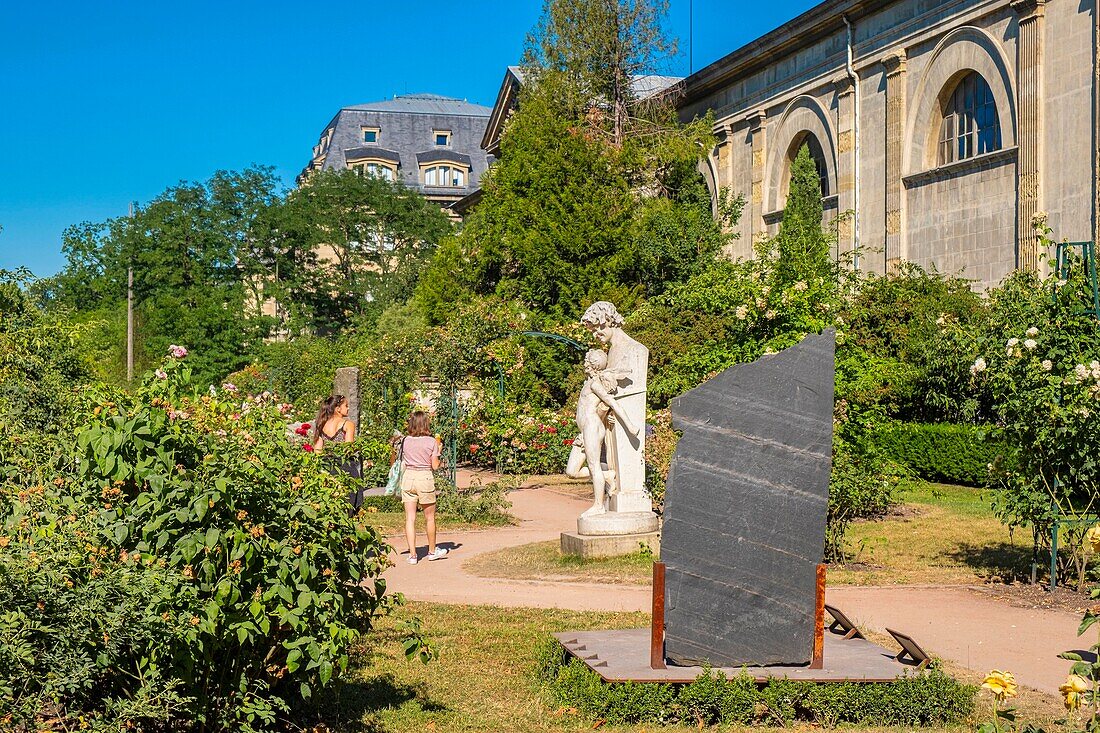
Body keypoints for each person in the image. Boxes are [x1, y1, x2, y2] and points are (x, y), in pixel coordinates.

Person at [565, 349, 639, 518]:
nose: (584, 363)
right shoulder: (588, 382)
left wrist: (630, 426)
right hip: (584, 431)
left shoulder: (595, 383)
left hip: (592, 427)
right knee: (571, 472)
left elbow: (612, 402)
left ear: (592, 365)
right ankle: (608, 476)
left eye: (587, 361)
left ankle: (598, 505)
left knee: (593, 465)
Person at [396, 410, 449, 565]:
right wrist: (438, 451)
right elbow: (435, 465)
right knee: (429, 517)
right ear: (426, 423)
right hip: (424, 477)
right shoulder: (431, 441)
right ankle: (432, 551)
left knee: (410, 518)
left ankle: (413, 555)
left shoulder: (405, 440)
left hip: (408, 478)